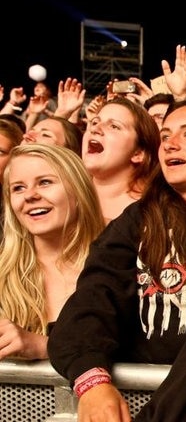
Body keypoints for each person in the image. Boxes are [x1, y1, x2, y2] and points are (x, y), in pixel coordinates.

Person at [48, 0, 186, 421]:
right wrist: (92, 382)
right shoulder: (138, 220)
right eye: (165, 135)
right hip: (140, 397)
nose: (171, 142)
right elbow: (92, 300)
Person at [0, 144, 104, 360]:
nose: (30, 195)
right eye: (18, 188)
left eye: (45, 182)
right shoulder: (3, 277)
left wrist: (45, 346)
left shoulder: (120, 270)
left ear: (78, 190)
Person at [82, 96, 160, 222]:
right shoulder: (64, 199)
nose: (94, 129)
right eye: (95, 122)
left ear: (138, 153)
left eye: (114, 126)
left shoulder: (154, 215)